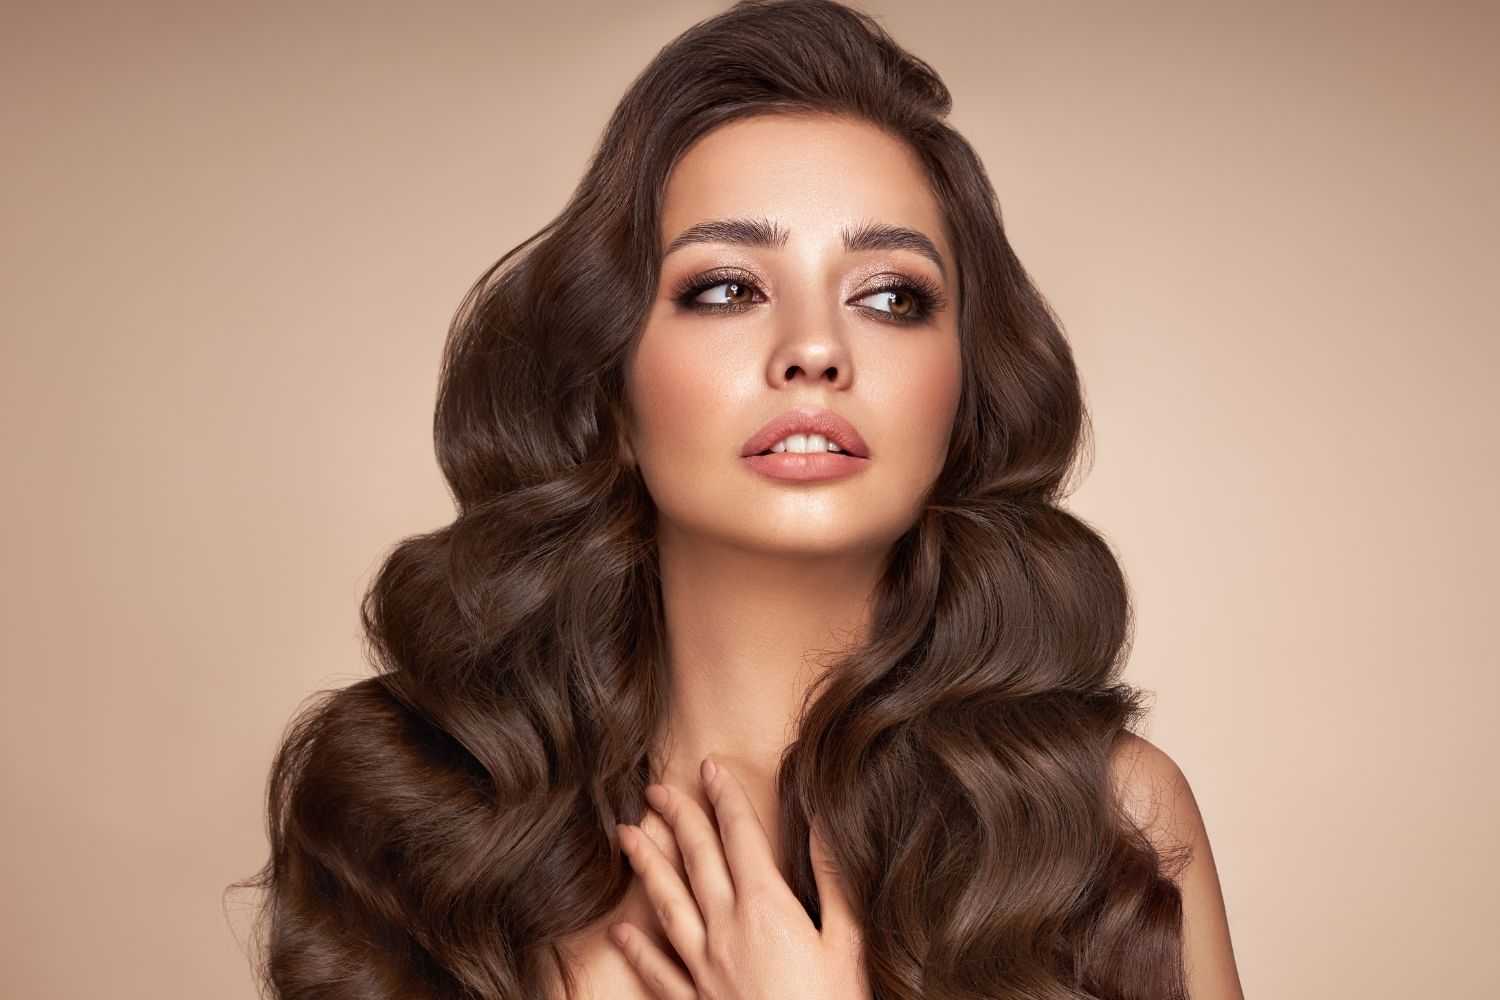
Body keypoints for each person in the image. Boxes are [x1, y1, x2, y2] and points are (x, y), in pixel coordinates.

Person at [233, 2, 1244, 998]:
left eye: (892, 295)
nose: (814, 348)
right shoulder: (417, 815)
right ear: (611, 384)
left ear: (965, 394)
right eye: (725, 288)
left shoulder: (1111, 822)